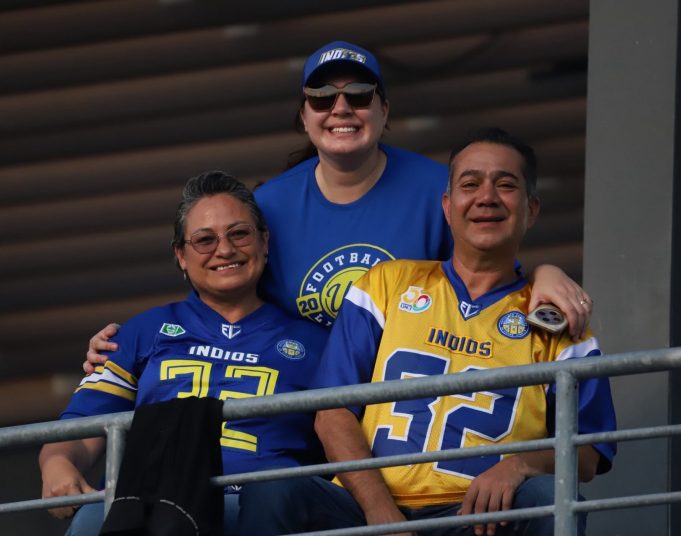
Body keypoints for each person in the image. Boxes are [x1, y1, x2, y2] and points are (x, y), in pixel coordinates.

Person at [83, 41, 593, 374]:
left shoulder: (436, 188)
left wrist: (542, 273)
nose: (341, 108)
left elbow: (490, 266)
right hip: (301, 399)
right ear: (304, 118)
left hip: (414, 400)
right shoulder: (266, 205)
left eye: (360, 94)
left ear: (385, 111)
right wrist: (125, 351)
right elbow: (215, 295)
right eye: (322, 97)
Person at [238, 128, 617, 536]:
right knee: (273, 488)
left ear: (532, 209)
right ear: (447, 206)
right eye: (470, 184)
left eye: (506, 185)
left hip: (478, 519)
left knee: (549, 496)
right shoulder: (386, 284)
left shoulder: (558, 322)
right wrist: (381, 513)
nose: (487, 197)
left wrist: (519, 465)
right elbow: (332, 414)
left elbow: (588, 451)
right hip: (366, 509)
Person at [38, 171, 329, 536]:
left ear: (264, 241)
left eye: (239, 234)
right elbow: (82, 426)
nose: (225, 250)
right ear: (180, 256)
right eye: (205, 240)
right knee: (93, 520)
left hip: (266, 511)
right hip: (159, 505)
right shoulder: (140, 332)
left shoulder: (317, 342)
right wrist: (58, 464)